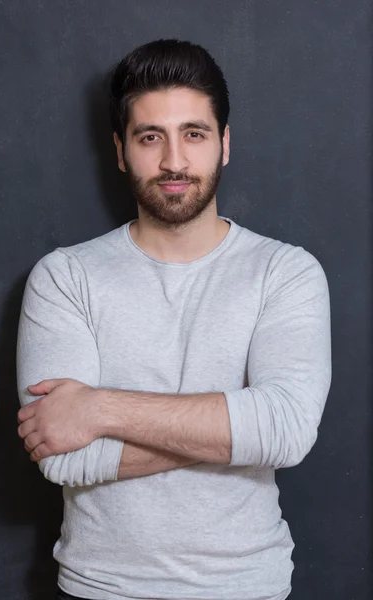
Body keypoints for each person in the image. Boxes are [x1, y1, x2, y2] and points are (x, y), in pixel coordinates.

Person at [16, 39, 331, 600]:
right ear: (120, 150)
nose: (174, 162)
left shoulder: (285, 272)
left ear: (224, 144)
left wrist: (99, 406)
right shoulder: (65, 276)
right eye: (149, 138)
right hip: (99, 587)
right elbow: (63, 453)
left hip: (246, 586)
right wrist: (239, 430)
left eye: (194, 134)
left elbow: (286, 431)